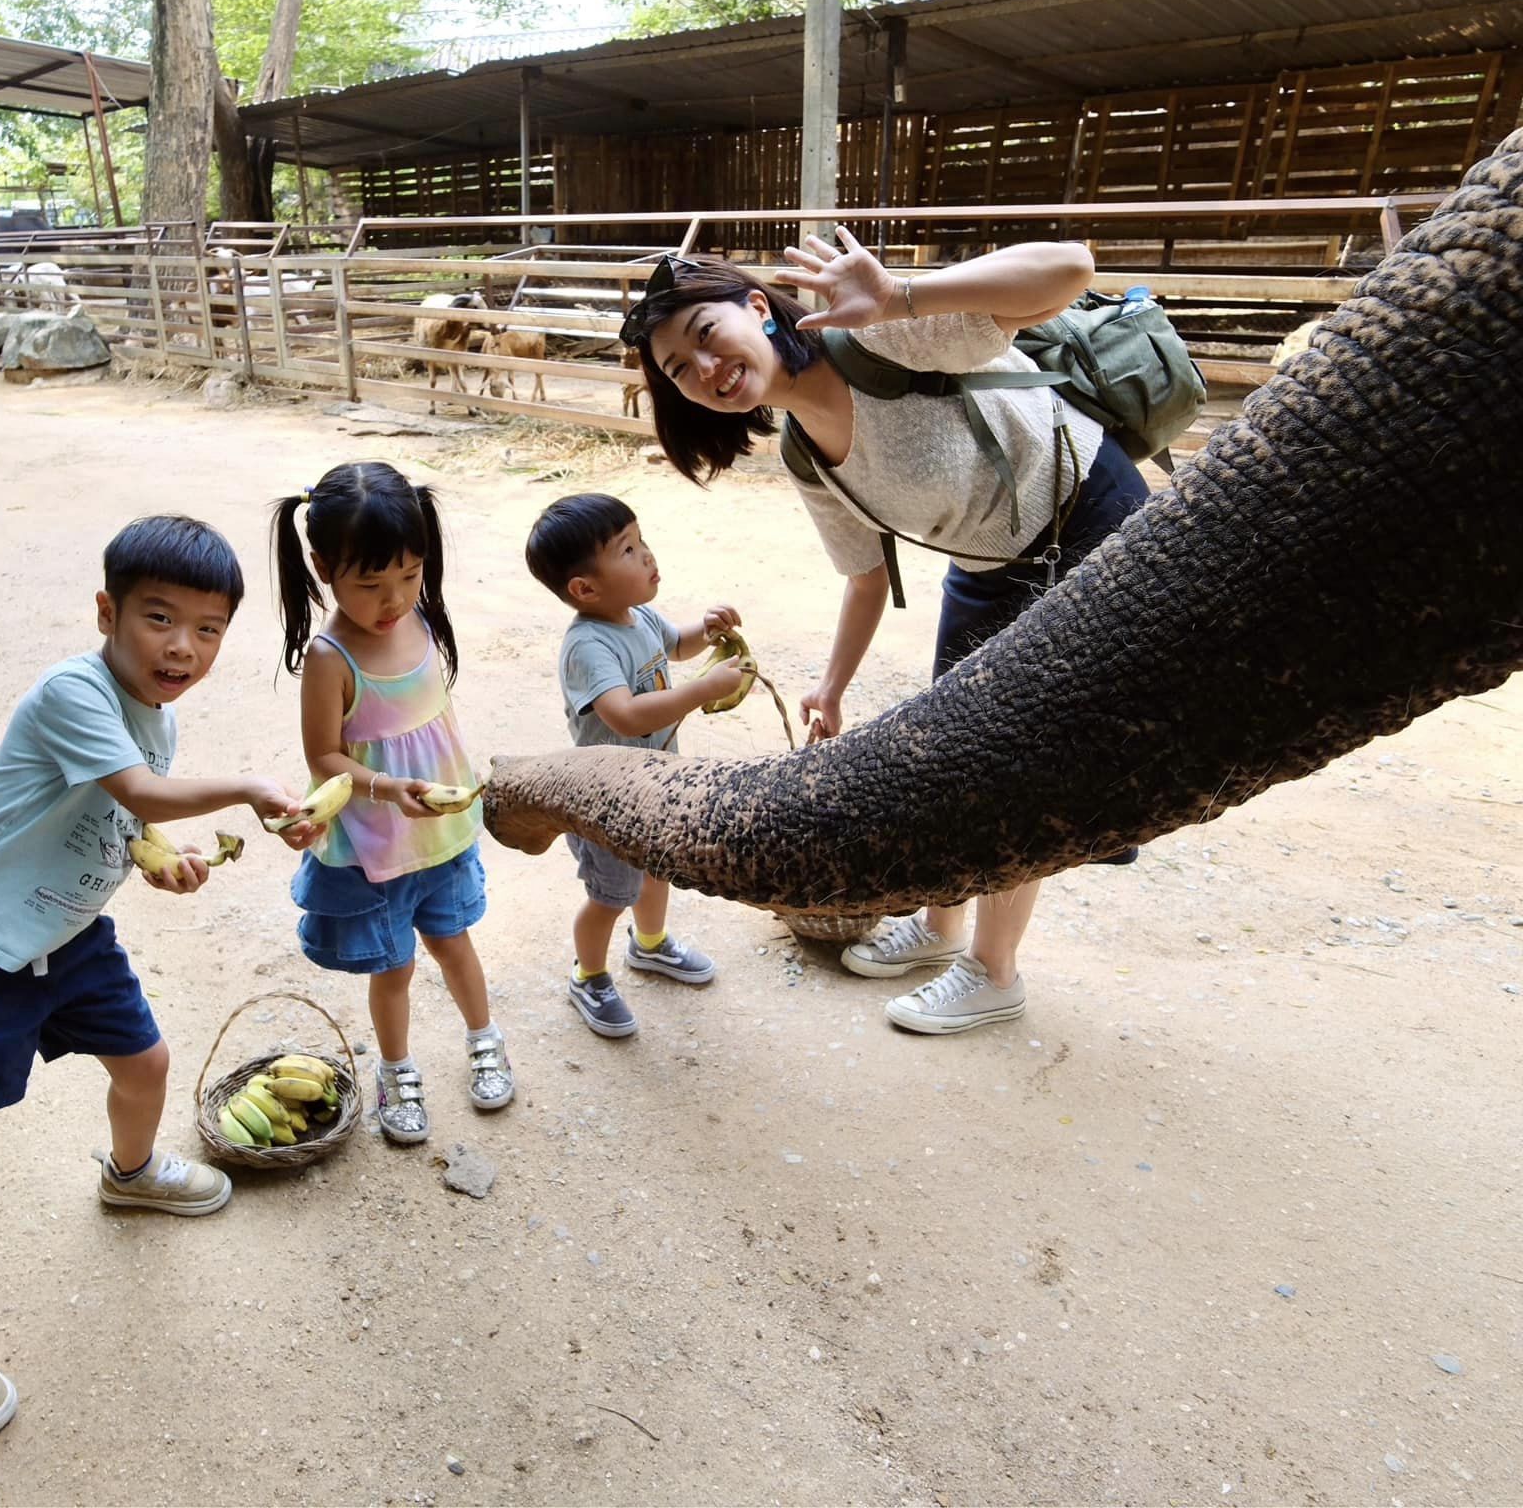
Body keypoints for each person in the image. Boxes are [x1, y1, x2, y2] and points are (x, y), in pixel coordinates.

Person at [624, 233, 1150, 1037]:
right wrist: (831, 687)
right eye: (678, 370)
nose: (704, 371)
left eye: (705, 336)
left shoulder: (879, 336)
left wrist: (905, 294)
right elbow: (866, 575)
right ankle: (941, 933)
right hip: (989, 562)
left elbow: (1074, 267)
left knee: (1024, 768)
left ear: (757, 309)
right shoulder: (806, 454)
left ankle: (994, 971)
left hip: (1085, 521)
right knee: (954, 754)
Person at [0, 515, 322, 1442]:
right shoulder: (71, 692)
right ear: (106, 612)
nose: (182, 647)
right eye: (159, 618)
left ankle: (128, 1174)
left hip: (70, 939)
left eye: (207, 630)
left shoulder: (155, 717)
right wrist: (246, 787)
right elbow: (141, 793)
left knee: (147, 1062)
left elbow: (132, 822)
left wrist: (162, 861)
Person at [271, 461, 510, 1145]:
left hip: (441, 835)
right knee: (394, 967)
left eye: (408, 575)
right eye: (370, 583)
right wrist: (385, 788)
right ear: (323, 567)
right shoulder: (329, 657)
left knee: (454, 942)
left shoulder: (424, 618)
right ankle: (396, 1068)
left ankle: (484, 1038)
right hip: (375, 845)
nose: (394, 598)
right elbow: (324, 756)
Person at [524, 492, 745, 1038]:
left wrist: (707, 629)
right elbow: (622, 715)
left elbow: (678, 645)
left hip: (654, 788)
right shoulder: (587, 645)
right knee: (609, 894)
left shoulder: (639, 615)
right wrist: (700, 692)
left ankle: (649, 946)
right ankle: (589, 974)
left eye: (642, 541)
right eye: (628, 550)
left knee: (657, 871)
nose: (647, 556)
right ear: (584, 588)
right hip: (606, 801)